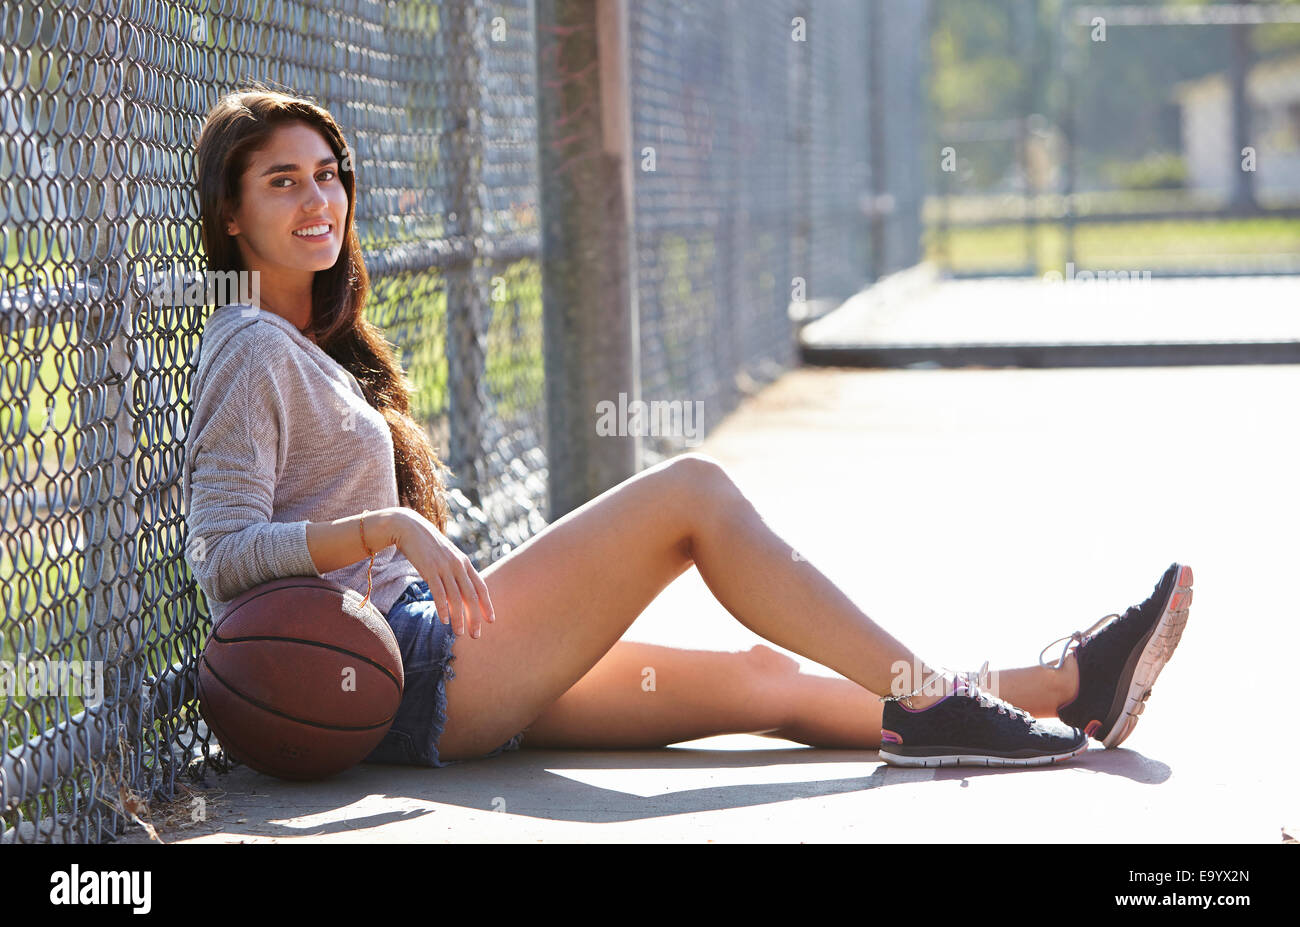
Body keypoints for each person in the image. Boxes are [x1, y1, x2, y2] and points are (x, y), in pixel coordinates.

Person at [184, 86, 1193, 772]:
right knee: (692, 495)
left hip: (424, 670)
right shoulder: (247, 347)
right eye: (283, 181)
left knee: (769, 684)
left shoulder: (307, 343)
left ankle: (1068, 685)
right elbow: (221, 553)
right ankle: (930, 699)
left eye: (328, 174)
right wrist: (386, 530)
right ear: (232, 215)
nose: (319, 198)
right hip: (400, 665)